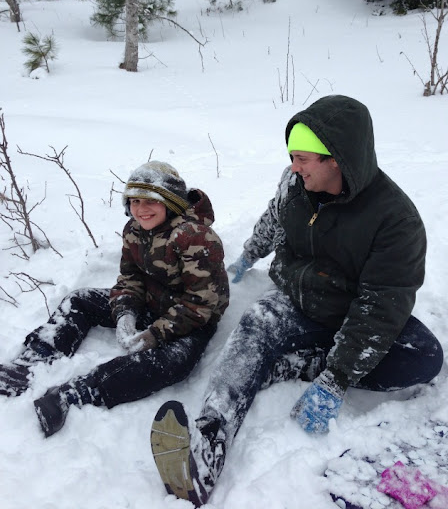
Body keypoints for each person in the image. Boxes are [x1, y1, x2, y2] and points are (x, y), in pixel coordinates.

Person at [149, 95, 444, 507]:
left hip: (352, 312)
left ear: (336, 159)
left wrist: (337, 378)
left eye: (303, 158)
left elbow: (381, 306)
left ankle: (304, 365)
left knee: (425, 357)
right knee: (256, 327)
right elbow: (274, 219)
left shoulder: (395, 220)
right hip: (296, 300)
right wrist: (247, 257)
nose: (293, 167)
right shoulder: (295, 185)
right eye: (291, 157)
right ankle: (206, 448)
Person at [0, 161, 229, 438]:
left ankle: (79, 392)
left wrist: (154, 335)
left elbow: (201, 303)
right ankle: (31, 363)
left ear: (170, 202)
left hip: (191, 321)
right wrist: (125, 313)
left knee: (174, 363)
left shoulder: (196, 237)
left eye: (150, 201)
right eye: (134, 201)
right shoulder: (134, 230)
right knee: (80, 300)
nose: (141, 209)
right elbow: (130, 277)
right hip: (151, 304)